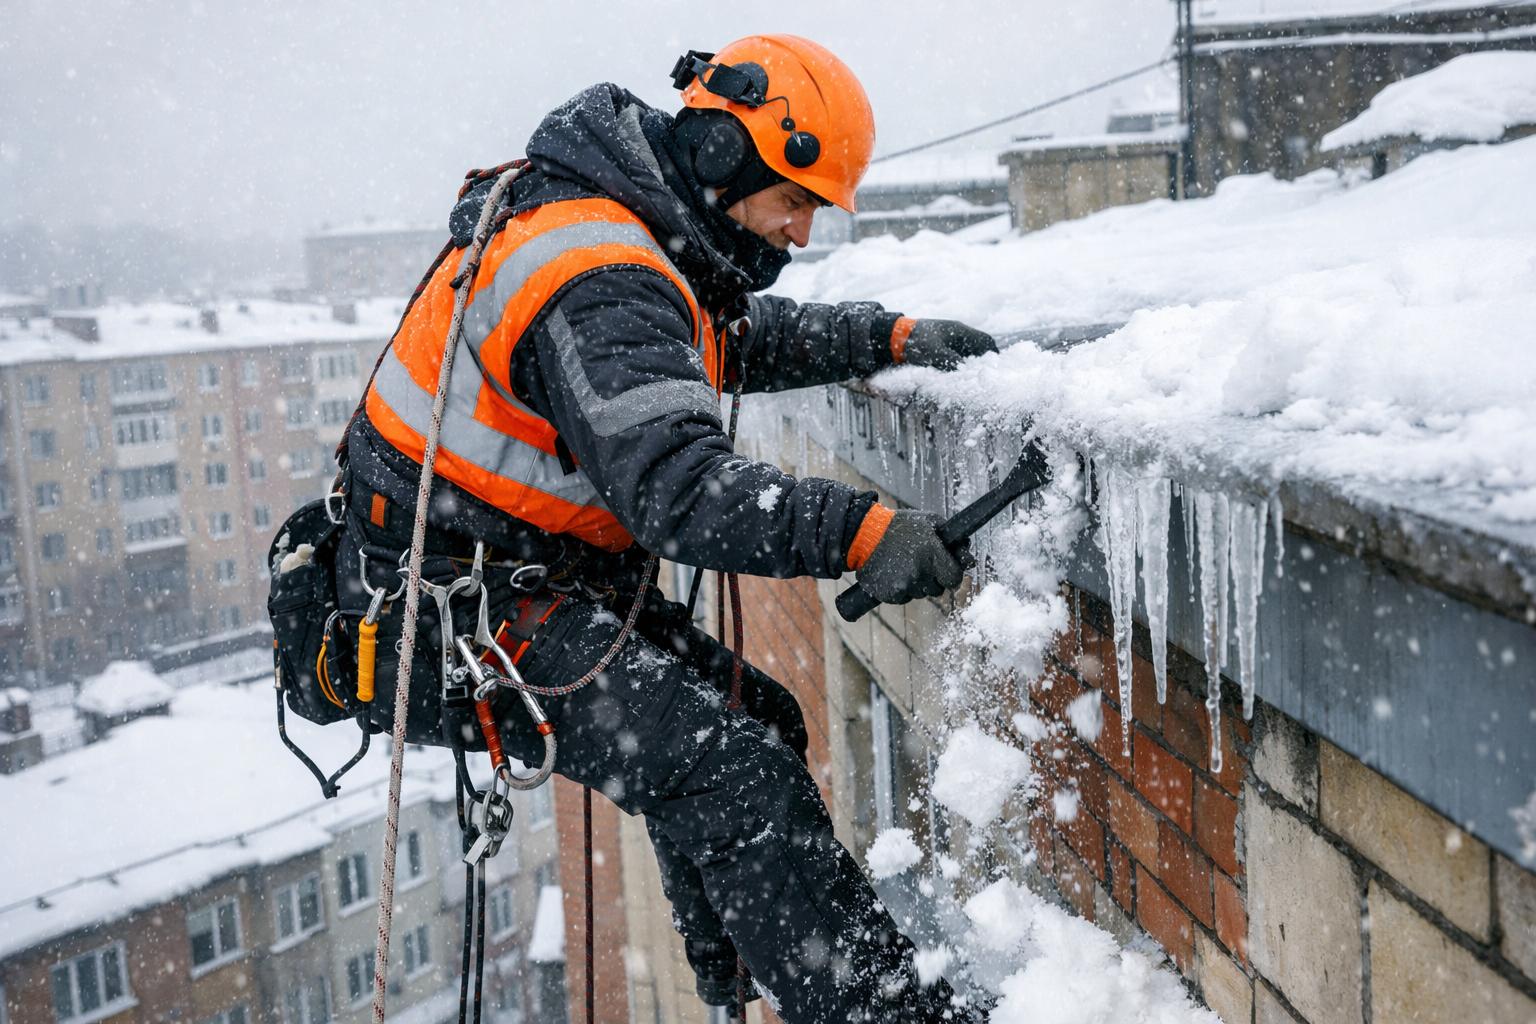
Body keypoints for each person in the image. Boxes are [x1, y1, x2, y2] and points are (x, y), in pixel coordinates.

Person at [337, 34, 996, 1024]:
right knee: (731, 773)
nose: (802, 233)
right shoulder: (598, 270)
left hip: (521, 574)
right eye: (797, 200)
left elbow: (723, 342)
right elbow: (681, 492)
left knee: (757, 725)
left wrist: (887, 337)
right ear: (724, 153)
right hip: (449, 608)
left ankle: (737, 991)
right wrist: (864, 531)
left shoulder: (634, 233)